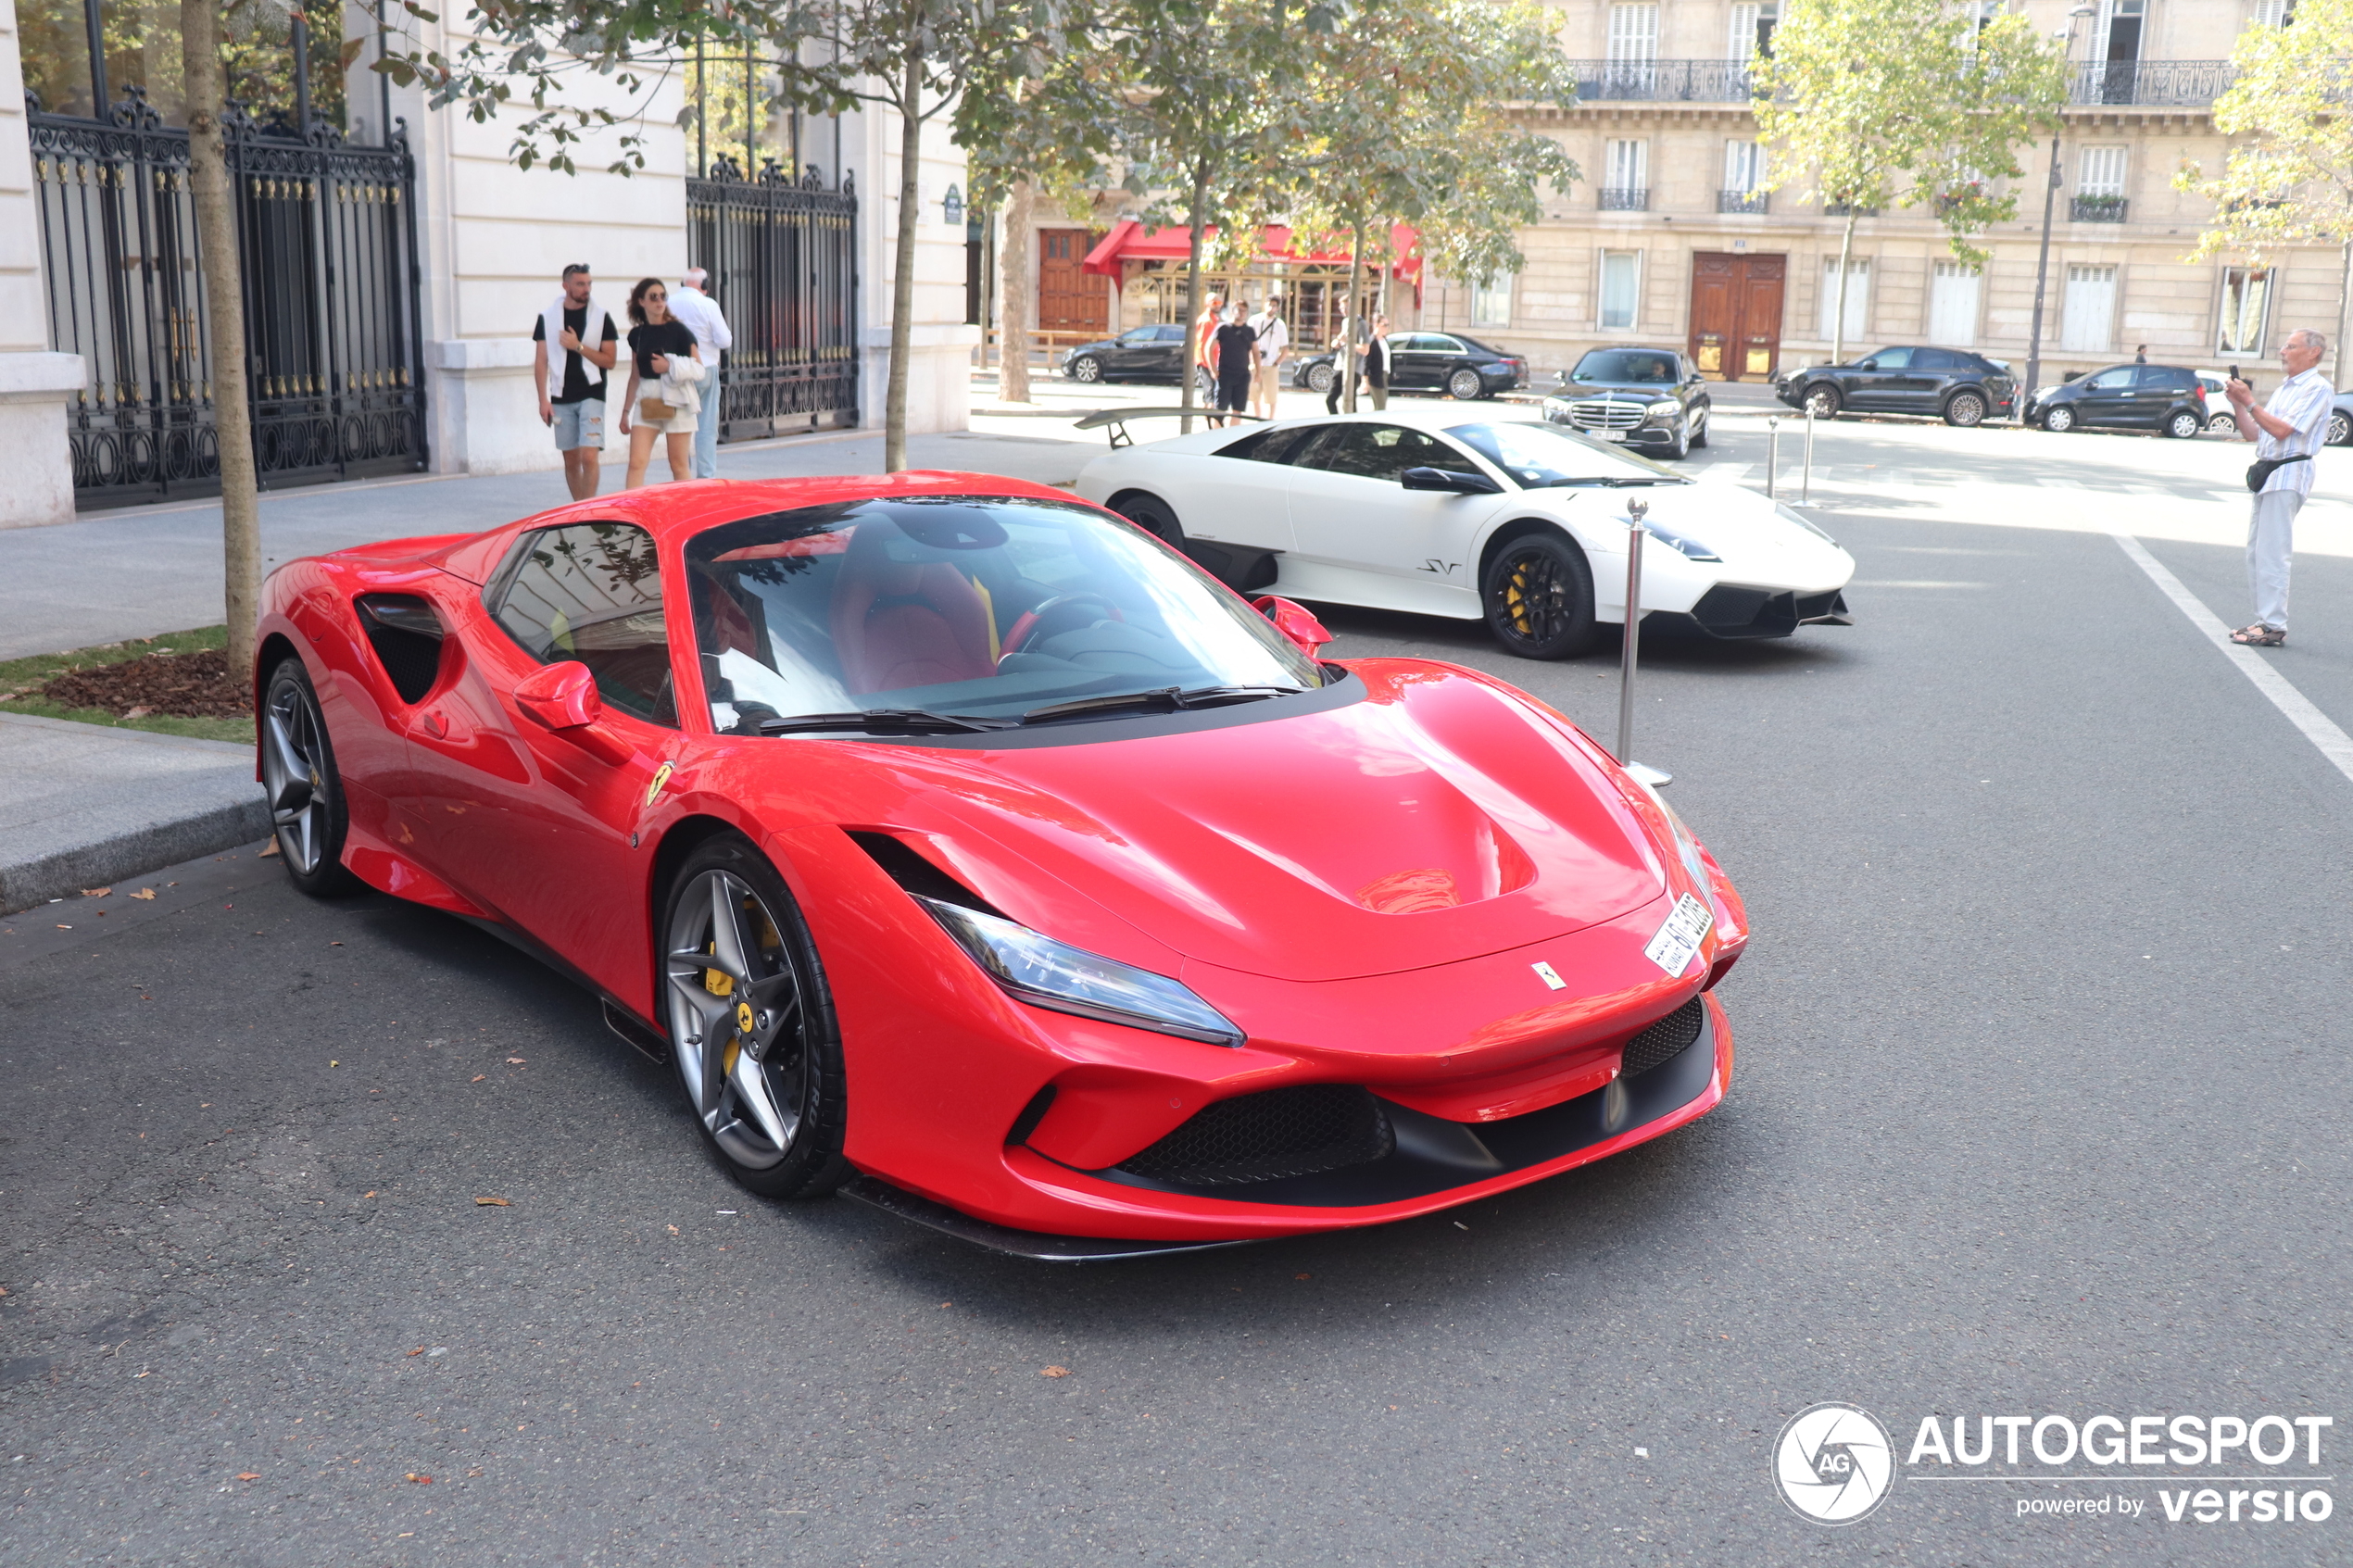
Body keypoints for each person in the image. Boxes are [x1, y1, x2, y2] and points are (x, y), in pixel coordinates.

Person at [2225, 328, 2334, 647]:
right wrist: (2238, 404)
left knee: (2273, 550)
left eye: (2291, 346)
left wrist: (2250, 401)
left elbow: (2284, 430)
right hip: (2269, 472)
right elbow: (2255, 434)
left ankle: (2273, 624)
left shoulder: (2317, 387)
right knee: (2257, 550)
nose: (2283, 351)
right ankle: (2264, 620)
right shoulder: (2287, 388)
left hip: (2289, 472)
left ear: (2313, 352)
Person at [532, 264, 620, 501]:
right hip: (561, 396)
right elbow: (541, 362)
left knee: (589, 456)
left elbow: (610, 360)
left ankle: (588, 509)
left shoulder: (601, 317)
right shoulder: (548, 318)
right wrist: (543, 400)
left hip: (592, 393)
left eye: (589, 283)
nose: (586, 289)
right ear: (566, 286)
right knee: (570, 458)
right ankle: (579, 508)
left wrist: (578, 346)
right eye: (581, 284)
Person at [617, 278, 704, 490]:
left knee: (678, 465)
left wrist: (670, 365)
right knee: (636, 463)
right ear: (641, 302)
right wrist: (626, 411)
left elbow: (700, 369)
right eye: (653, 297)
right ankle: (631, 513)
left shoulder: (679, 331)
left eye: (663, 296)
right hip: (648, 399)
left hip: (677, 399)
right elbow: (635, 375)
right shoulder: (637, 335)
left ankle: (687, 513)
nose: (659, 301)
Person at [668, 268, 734, 480]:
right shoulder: (708, 304)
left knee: (680, 426)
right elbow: (724, 340)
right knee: (706, 426)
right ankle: (706, 476)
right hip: (705, 368)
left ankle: (682, 474)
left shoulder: (669, 302)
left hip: (677, 371)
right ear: (704, 286)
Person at [1211, 303, 1257, 428]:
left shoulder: (1249, 330)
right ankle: (1216, 437)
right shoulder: (1223, 328)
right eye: (1238, 309)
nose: (1241, 313)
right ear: (1233, 311)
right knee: (1220, 409)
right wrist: (1213, 369)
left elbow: (1256, 351)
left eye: (1244, 310)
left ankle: (1232, 439)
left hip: (1242, 375)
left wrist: (1258, 371)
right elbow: (1208, 348)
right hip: (1225, 374)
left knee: (1238, 410)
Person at [1247, 296, 1289, 420]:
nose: (1271, 308)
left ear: (1278, 307)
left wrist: (1277, 363)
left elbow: (1285, 348)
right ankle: (1257, 418)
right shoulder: (1254, 320)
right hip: (1254, 363)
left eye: (1274, 306)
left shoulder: (1280, 324)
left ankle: (1270, 419)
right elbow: (1247, 341)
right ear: (1264, 304)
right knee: (1254, 395)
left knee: (1271, 396)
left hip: (1271, 365)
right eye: (1269, 304)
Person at [1192, 292, 1224, 404]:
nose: (1218, 305)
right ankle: (1208, 419)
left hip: (1212, 362)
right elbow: (1202, 346)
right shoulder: (1206, 321)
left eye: (1219, 302)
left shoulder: (1214, 320)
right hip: (1207, 363)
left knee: (1211, 394)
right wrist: (1211, 367)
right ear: (1207, 303)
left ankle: (1209, 418)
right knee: (1210, 394)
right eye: (1215, 302)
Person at [1364, 312, 1390, 411]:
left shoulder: (1384, 340)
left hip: (1384, 375)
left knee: (1380, 406)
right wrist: (1365, 381)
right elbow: (1366, 362)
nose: (1387, 327)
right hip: (1375, 377)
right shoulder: (1372, 342)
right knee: (1381, 407)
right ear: (1376, 325)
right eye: (1384, 325)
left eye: (1388, 325)